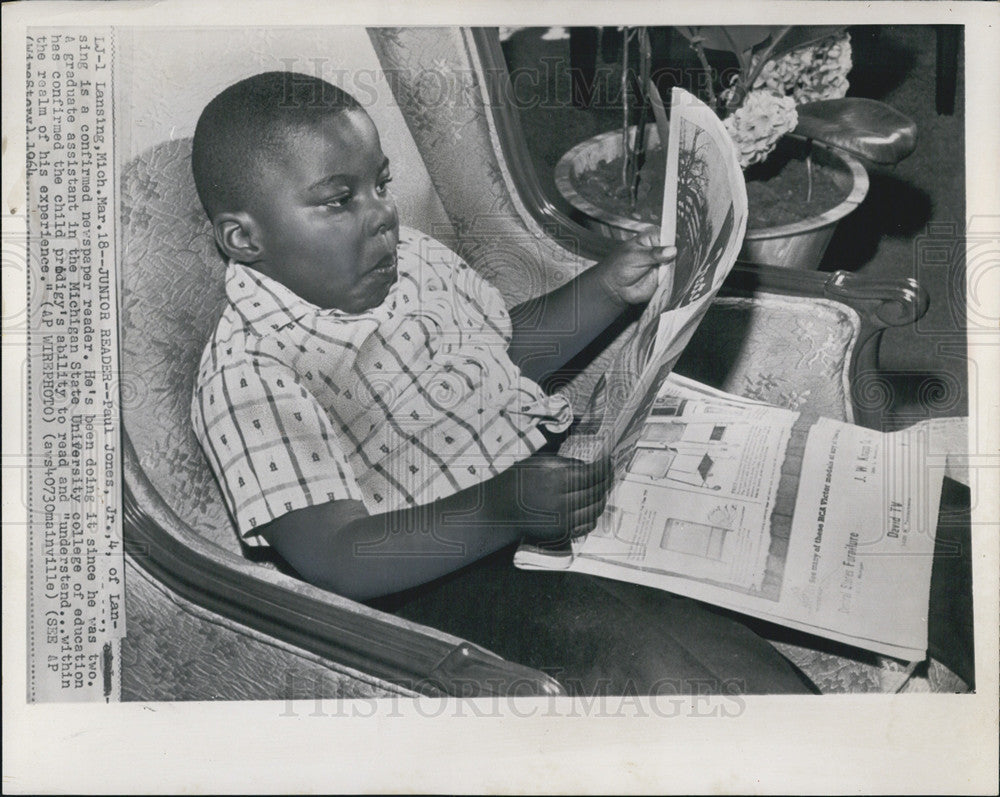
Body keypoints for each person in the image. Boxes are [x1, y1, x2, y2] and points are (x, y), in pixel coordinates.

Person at [189, 71, 970, 696]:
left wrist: (604, 289)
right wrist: (501, 508)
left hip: (556, 479)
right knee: (685, 679)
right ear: (243, 237)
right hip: (453, 576)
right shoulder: (251, 371)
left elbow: (500, 355)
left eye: (380, 184)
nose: (382, 216)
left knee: (931, 524)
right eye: (339, 200)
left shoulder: (410, 261)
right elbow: (339, 557)